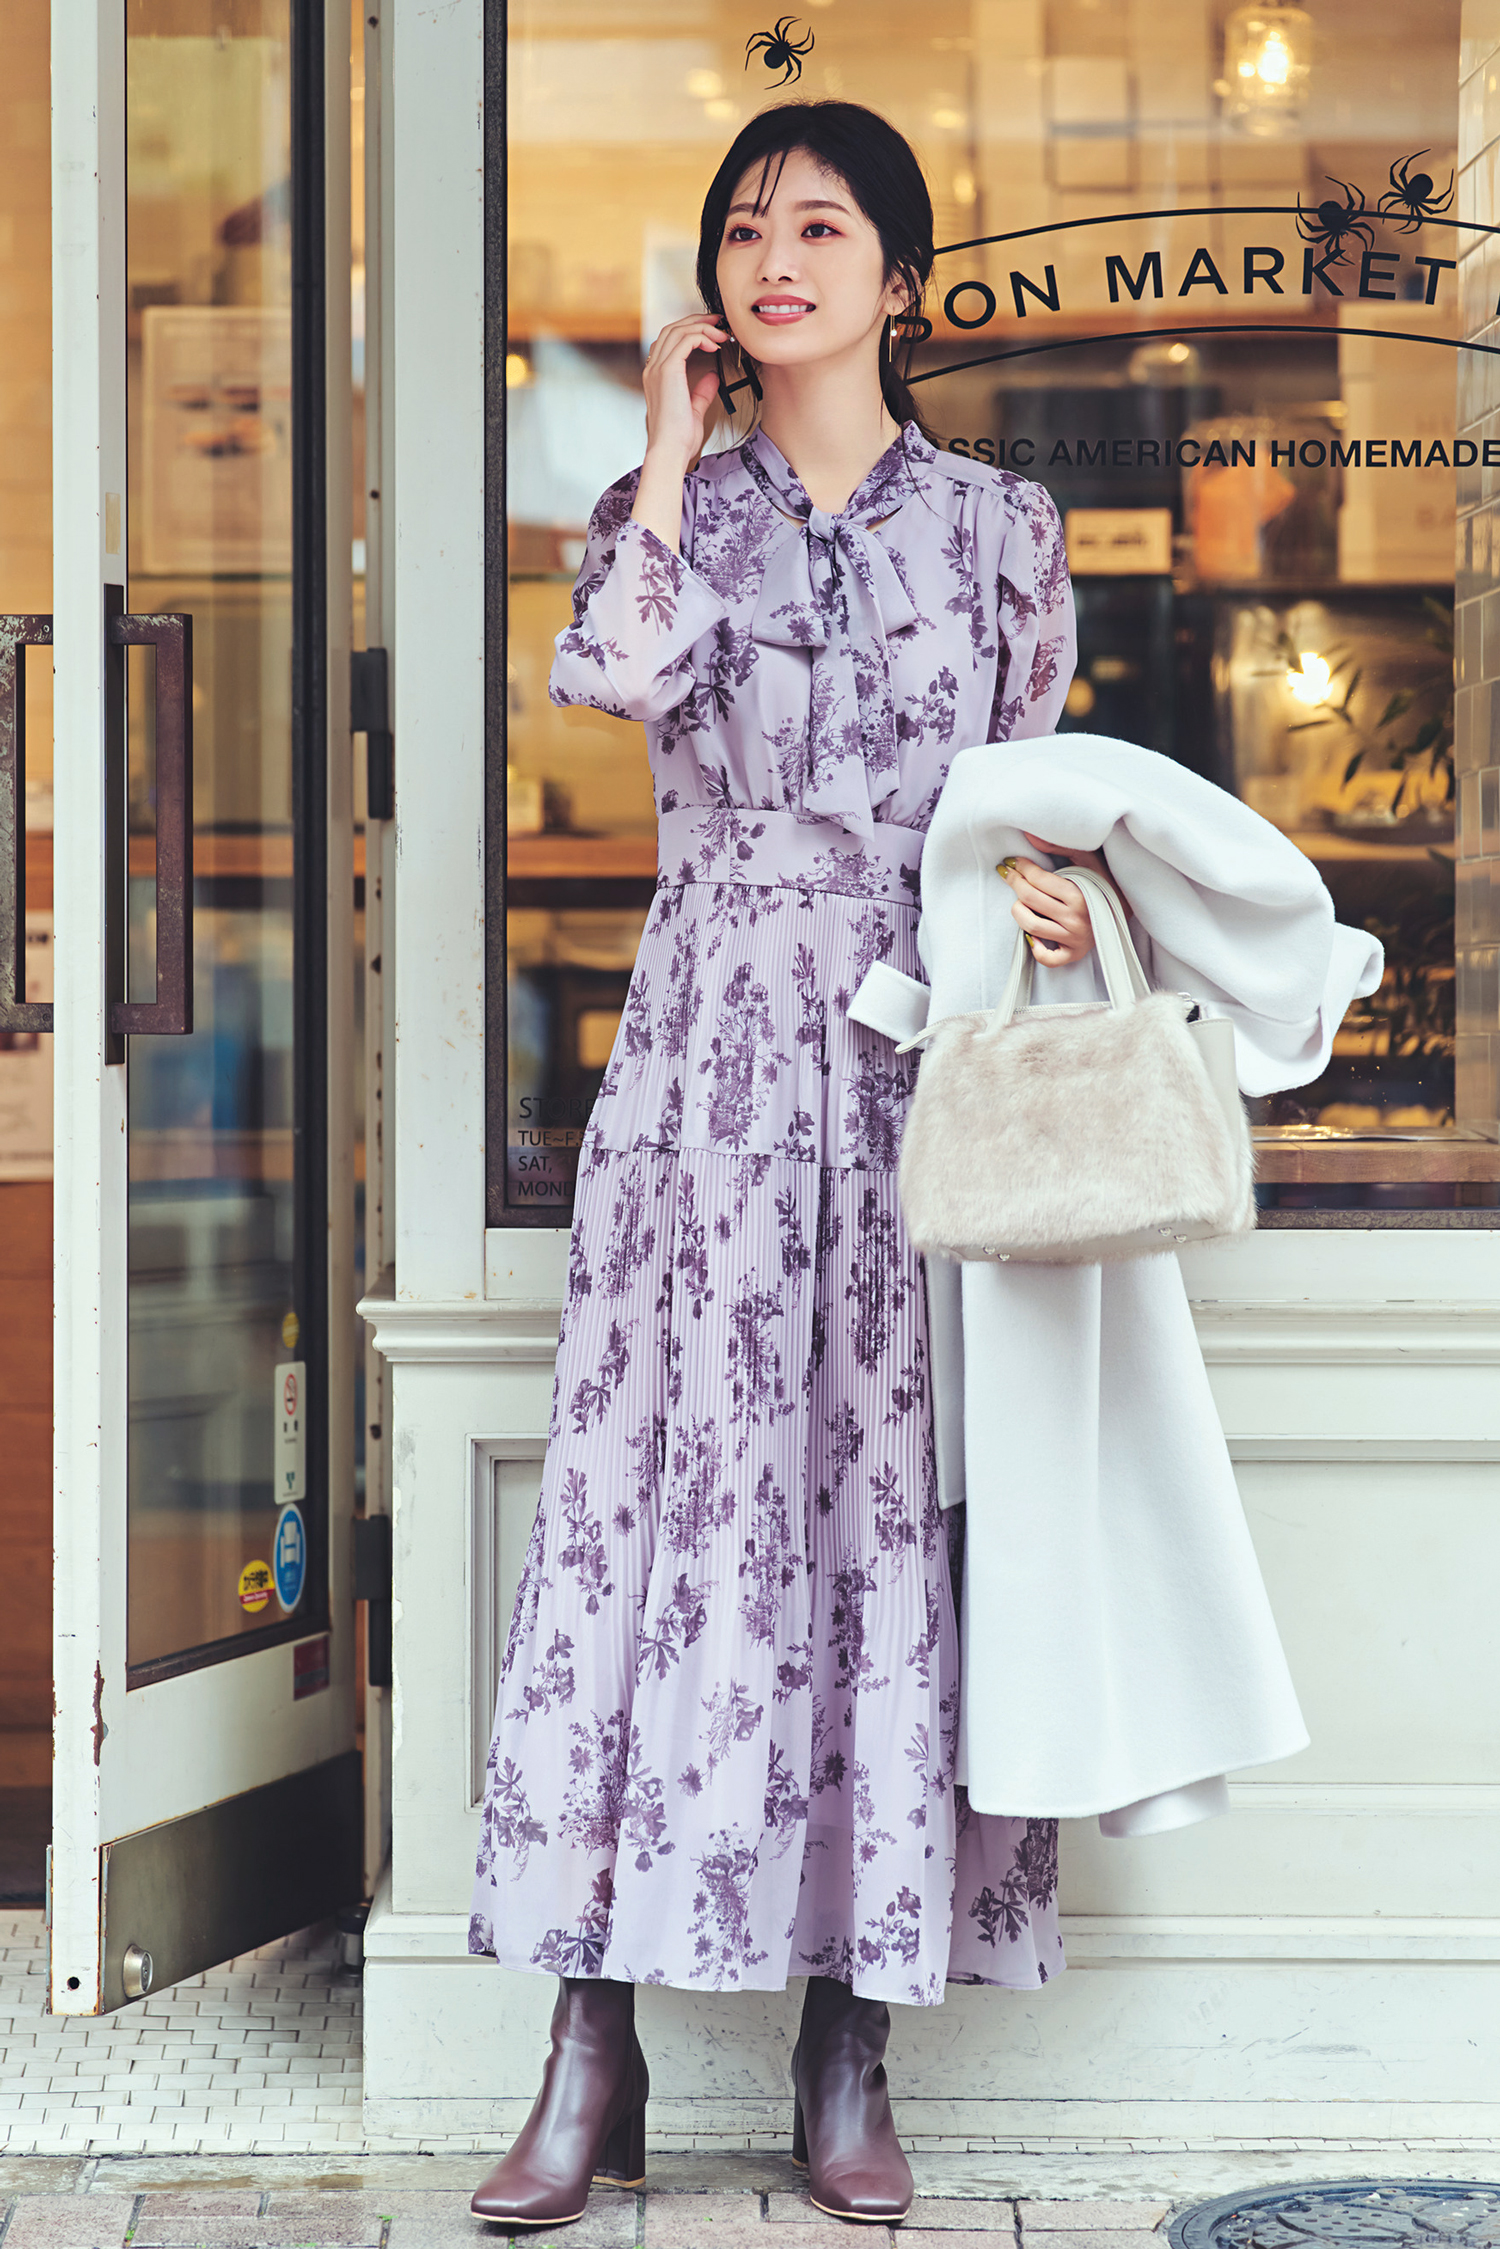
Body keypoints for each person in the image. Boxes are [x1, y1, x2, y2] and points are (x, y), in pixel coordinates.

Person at [469, 99, 1104, 2230]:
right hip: (709, 1059)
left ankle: (859, 2033)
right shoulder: (670, 516)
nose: (775, 257)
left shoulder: (1006, 531)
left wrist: (1043, 897)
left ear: (902, 280)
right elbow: (607, 681)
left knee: (877, 1529)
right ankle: (594, 2033)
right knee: (654, 1522)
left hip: (920, 1068)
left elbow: (1039, 803)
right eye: (746, 227)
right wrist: (662, 439)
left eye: (822, 225)